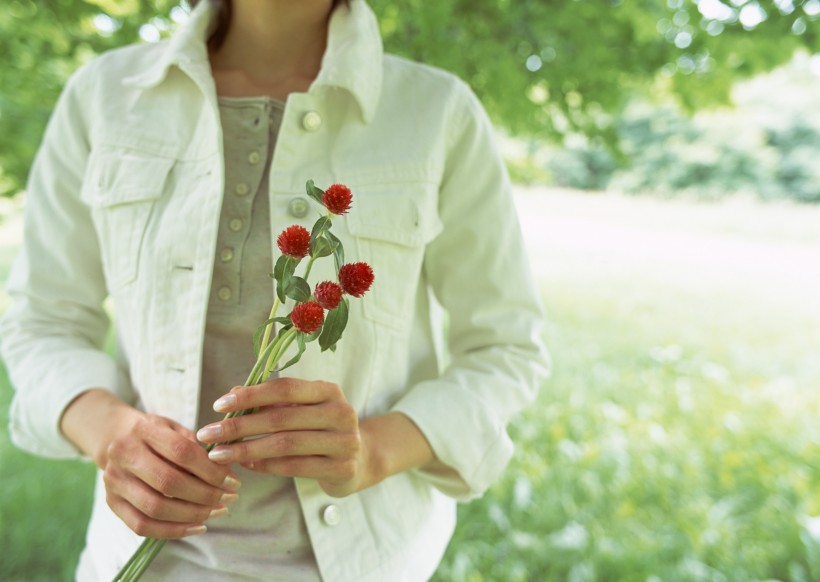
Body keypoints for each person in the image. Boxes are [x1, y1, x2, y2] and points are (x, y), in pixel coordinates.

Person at [0, 0, 549, 579]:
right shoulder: (103, 95)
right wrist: (111, 433)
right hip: (132, 561)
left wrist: (375, 450)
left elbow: (505, 348)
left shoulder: (437, 112)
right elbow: (44, 322)